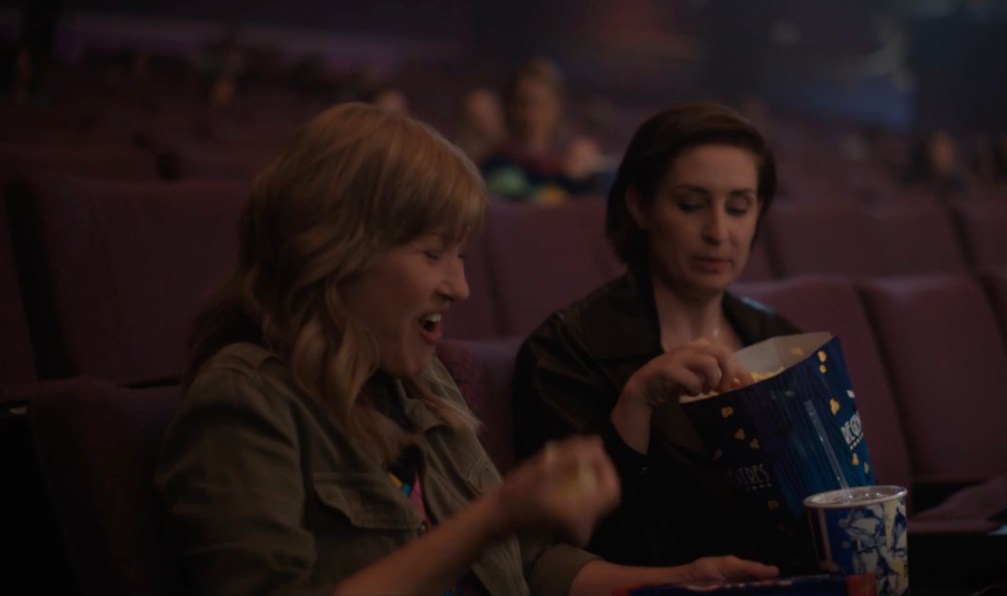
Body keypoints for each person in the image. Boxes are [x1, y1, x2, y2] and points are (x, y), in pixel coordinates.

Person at [154, 103, 779, 595]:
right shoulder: (246, 402)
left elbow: (527, 564)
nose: (459, 286)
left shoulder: (420, 383)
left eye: (460, 255)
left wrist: (676, 581)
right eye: (432, 254)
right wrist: (493, 518)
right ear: (335, 255)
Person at [512, 103, 814, 573]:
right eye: (691, 205)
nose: (718, 232)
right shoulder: (567, 350)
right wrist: (636, 403)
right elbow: (571, 548)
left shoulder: (780, 340)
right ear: (639, 206)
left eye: (739, 207)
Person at [479, 58, 602, 205]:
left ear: (558, 107)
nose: (531, 116)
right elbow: (526, 212)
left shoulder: (564, 160)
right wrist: (569, 179)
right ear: (508, 107)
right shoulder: (497, 164)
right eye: (523, 104)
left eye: (542, 105)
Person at [455, 87, 506, 164]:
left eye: (487, 114)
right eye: (474, 116)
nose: (480, 123)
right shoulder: (456, 157)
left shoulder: (510, 158)